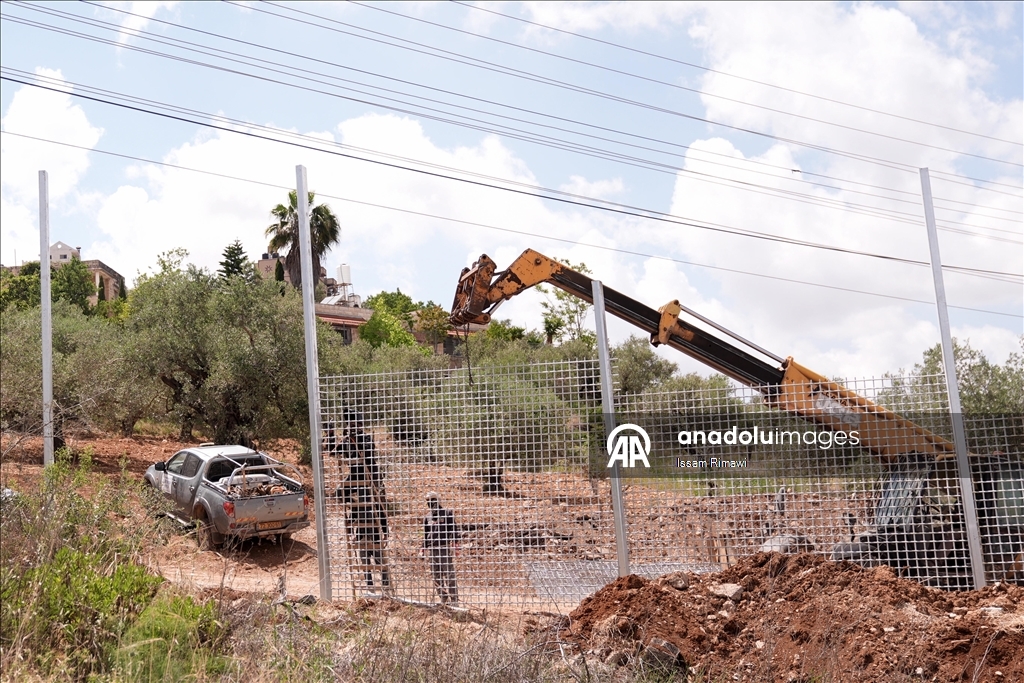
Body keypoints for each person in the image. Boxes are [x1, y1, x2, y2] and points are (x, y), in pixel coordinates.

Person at [349, 486, 390, 591]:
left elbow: (383, 518)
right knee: (365, 565)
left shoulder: (375, 505)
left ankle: (385, 587)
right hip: (362, 538)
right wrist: (351, 535)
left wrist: (385, 534)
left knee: (380, 563)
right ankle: (370, 587)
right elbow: (350, 521)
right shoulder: (356, 506)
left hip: (375, 538)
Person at [422, 492, 459, 604]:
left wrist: (456, 544)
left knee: (449, 574)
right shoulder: (427, 517)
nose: (430, 502)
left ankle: (454, 599)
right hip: (432, 550)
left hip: (444, 548)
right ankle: (443, 598)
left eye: (432, 499)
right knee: (436, 575)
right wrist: (423, 547)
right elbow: (425, 534)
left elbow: (454, 529)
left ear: (438, 500)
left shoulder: (447, 513)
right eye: (428, 500)